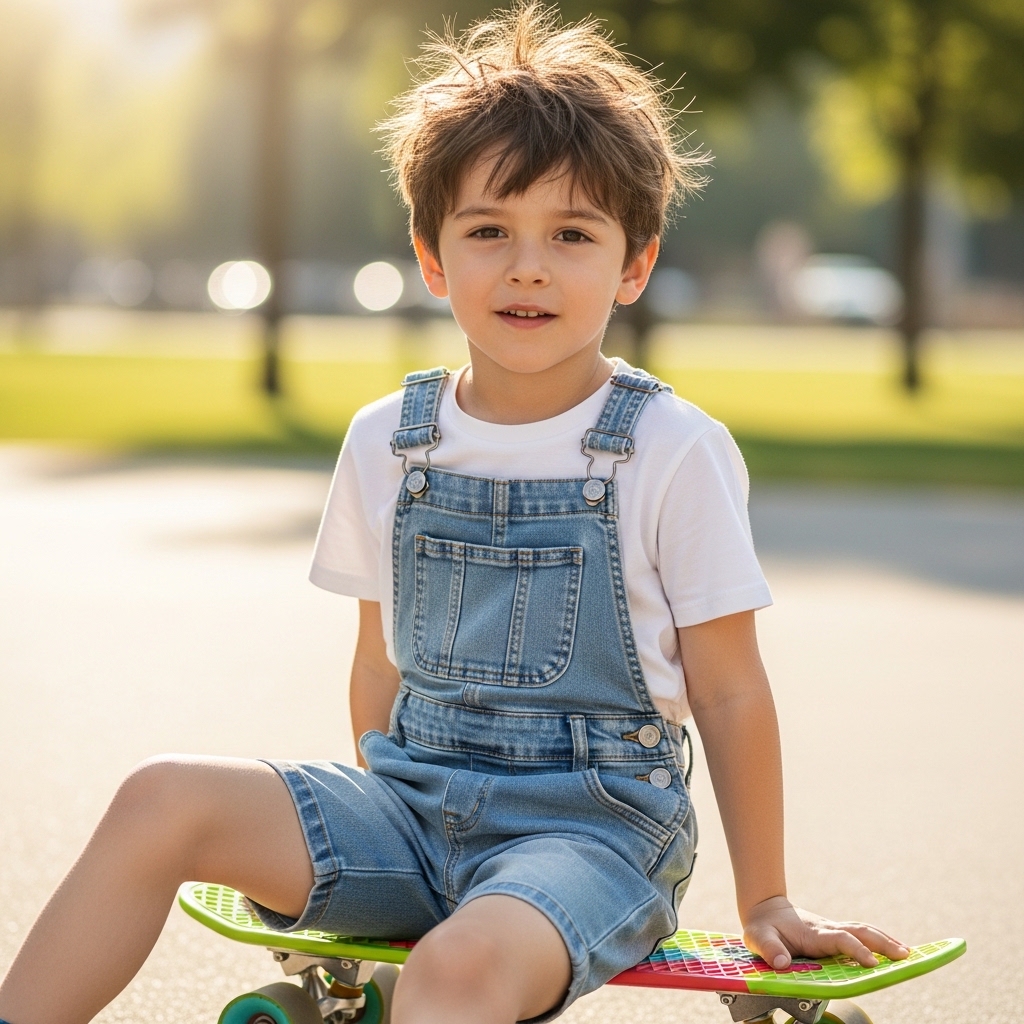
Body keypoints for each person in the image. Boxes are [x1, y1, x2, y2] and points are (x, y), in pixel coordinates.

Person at [0, 6, 909, 1024]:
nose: (527, 266)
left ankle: (468, 950)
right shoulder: (391, 438)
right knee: (159, 795)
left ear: (633, 264)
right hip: (410, 808)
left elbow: (732, 691)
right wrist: (372, 862)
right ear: (432, 259)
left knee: (451, 973)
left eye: (571, 234)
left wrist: (765, 899)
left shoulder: (669, 448)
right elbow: (377, 665)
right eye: (489, 232)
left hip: (595, 836)